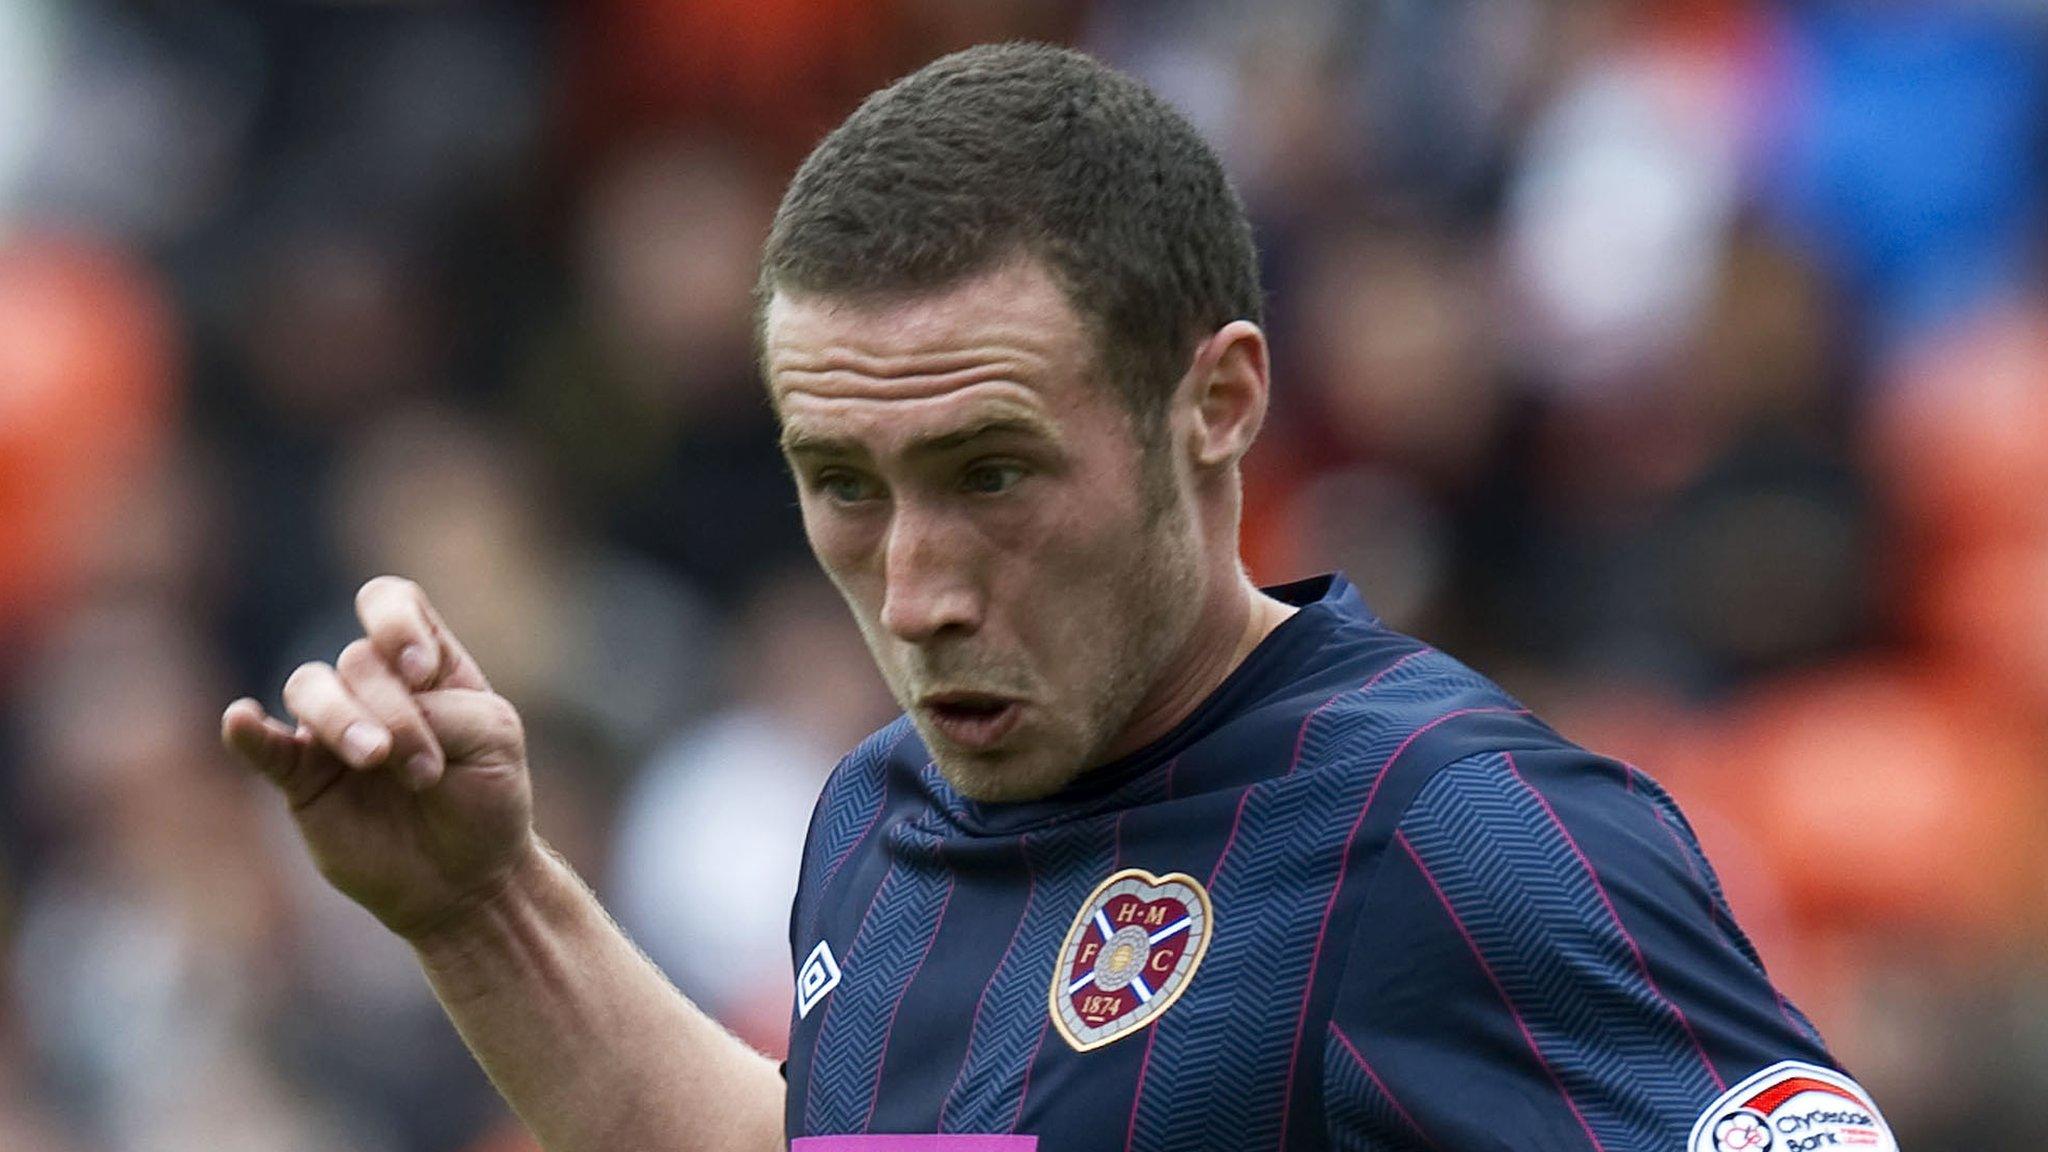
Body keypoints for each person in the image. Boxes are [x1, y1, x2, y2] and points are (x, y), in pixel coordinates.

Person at [221, 43, 1898, 1152]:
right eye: (846, 486)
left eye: (993, 471)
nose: (918, 585)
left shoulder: (1457, 834)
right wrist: (484, 908)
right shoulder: (877, 822)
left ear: (1219, 400)